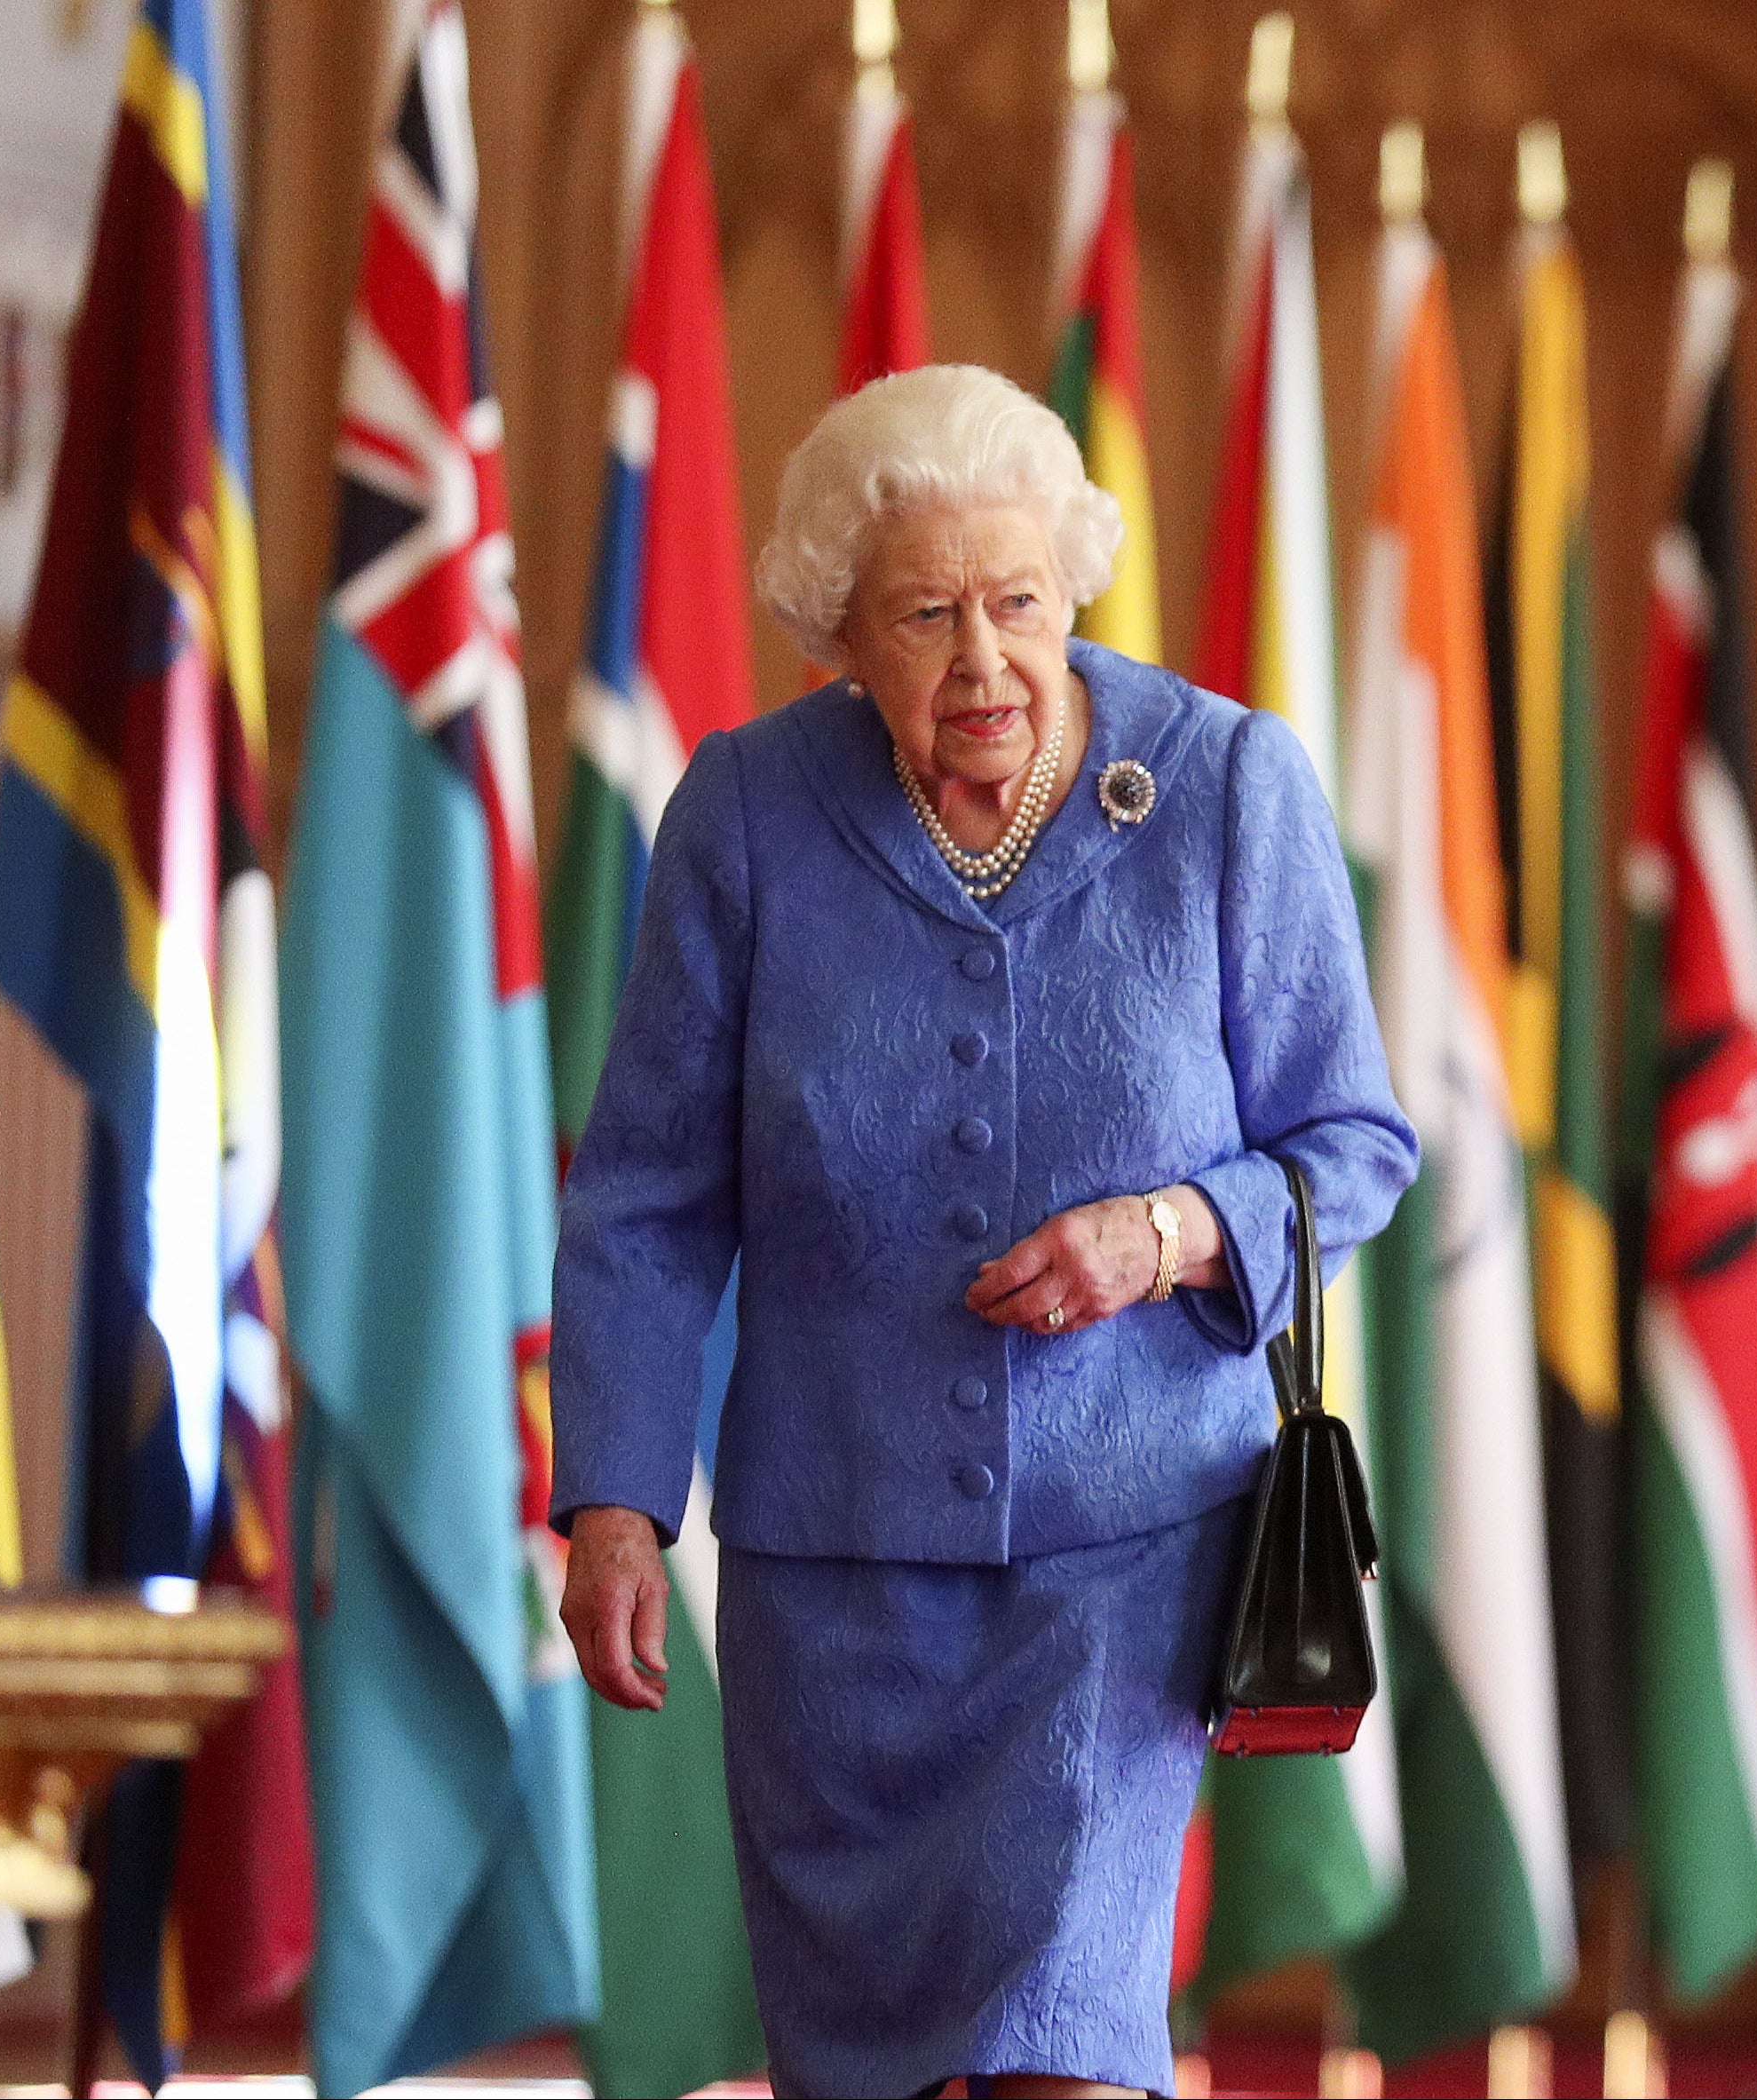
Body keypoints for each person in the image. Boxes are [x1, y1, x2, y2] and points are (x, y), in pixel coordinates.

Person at [550, 362, 1416, 2100]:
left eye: (1016, 601)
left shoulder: (1230, 788)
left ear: (1071, 585)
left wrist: (1169, 1230)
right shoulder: (744, 814)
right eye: (924, 615)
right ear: (838, 632)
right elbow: (647, 1194)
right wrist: (618, 1506)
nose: (980, 662)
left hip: (1126, 1553)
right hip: (833, 1583)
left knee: (1065, 2058)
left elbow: (1360, 1144)